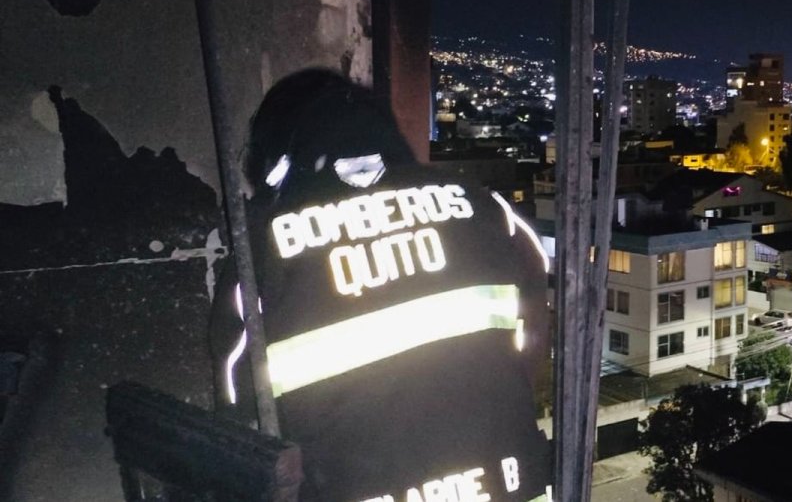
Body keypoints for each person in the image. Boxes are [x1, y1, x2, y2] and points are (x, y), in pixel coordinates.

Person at [210, 69, 552, 502]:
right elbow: (534, 339)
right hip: (505, 482)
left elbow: (242, 415)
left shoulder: (258, 243)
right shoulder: (485, 204)